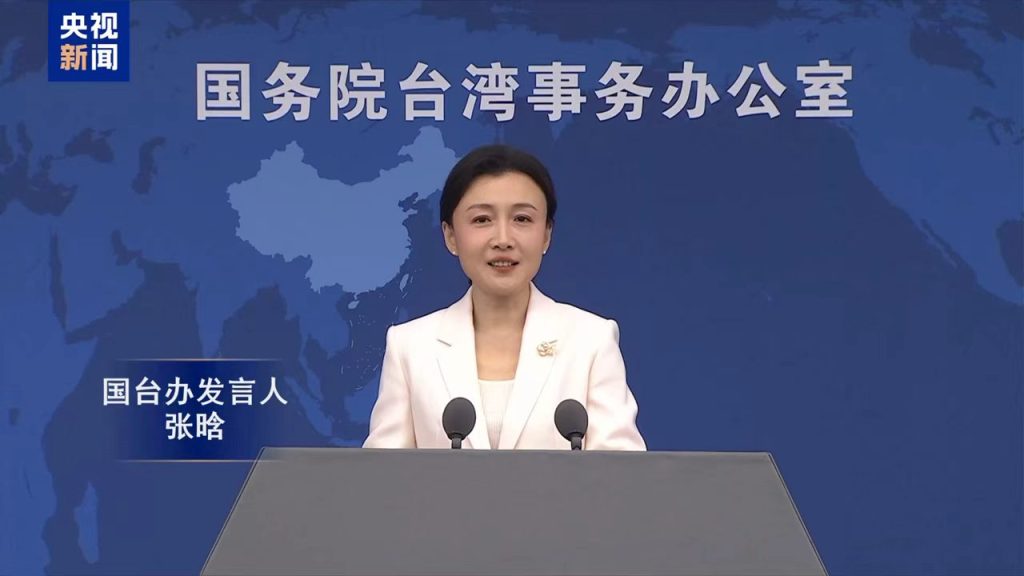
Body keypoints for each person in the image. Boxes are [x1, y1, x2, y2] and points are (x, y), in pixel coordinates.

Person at [363, 144, 645, 450]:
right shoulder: (410, 347)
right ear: (451, 236)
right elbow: (383, 473)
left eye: (522, 219)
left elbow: (621, 470)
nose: (503, 240)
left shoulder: (591, 340)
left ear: (546, 234)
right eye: (482, 220)